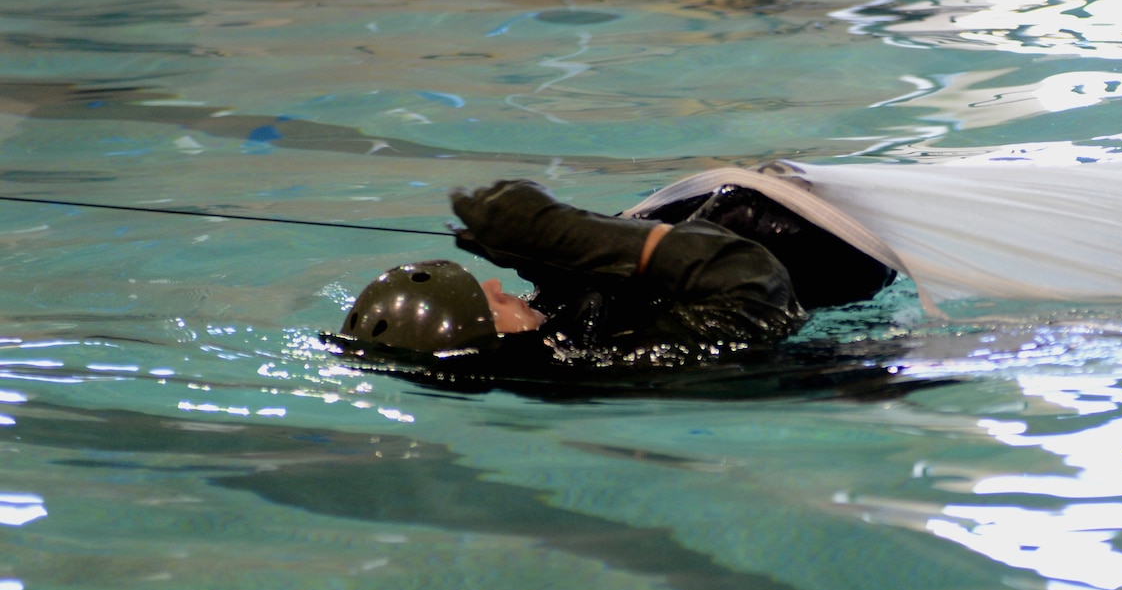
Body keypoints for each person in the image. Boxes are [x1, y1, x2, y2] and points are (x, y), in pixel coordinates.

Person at [331, 178, 894, 378]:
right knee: (753, 221)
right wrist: (565, 233)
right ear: (484, 341)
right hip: (866, 348)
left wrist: (535, 252)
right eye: (489, 303)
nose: (499, 288)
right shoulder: (619, 366)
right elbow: (750, 282)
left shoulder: (557, 334)